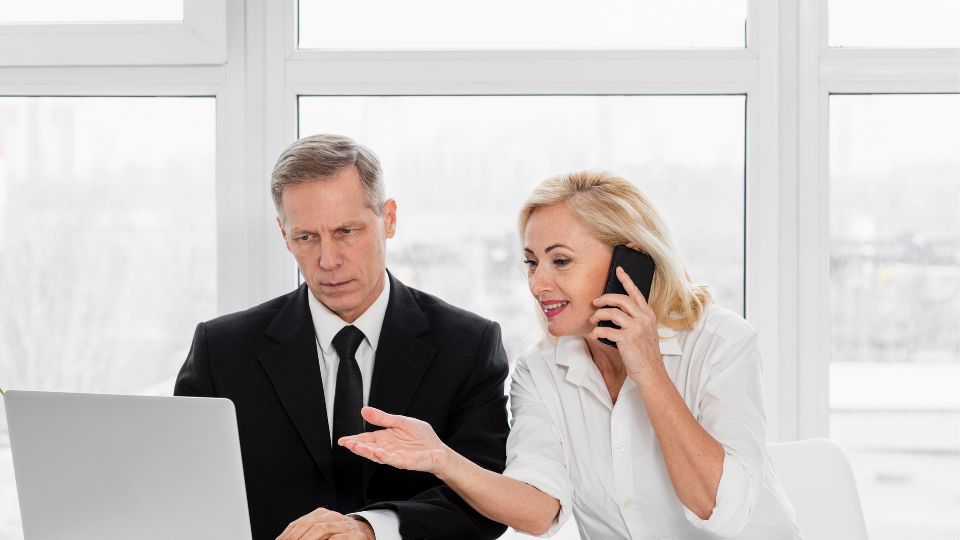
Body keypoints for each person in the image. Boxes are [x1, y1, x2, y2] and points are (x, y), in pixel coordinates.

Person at [339, 171, 805, 539]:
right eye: (531, 261)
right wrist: (442, 459)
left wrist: (648, 370)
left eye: (560, 261)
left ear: (631, 263)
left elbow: (717, 510)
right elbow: (540, 513)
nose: (538, 283)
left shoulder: (721, 342)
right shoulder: (541, 371)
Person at [174, 134, 510, 540]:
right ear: (283, 235)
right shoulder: (222, 350)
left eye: (346, 231)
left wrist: (371, 530)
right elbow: (186, 495)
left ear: (389, 219)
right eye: (306, 237)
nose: (327, 260)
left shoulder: (469, 345)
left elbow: (489, 504)